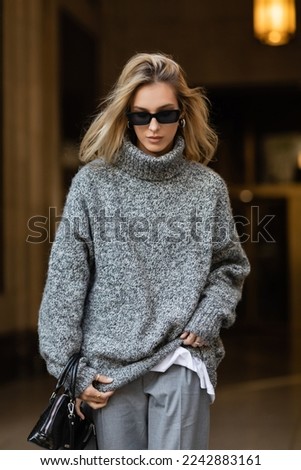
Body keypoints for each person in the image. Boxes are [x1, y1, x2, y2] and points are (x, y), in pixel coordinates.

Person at [38, 52, 250, 450]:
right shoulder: (93, 184)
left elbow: (229, 266)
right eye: (141, 115)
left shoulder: (207, 188)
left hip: (180, 360)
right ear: (126, 117)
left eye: (165, 114)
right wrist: (70, 370)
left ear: (182, 115)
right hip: (108, 372)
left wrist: (209, 316)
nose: (153, 127)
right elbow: (65, 282)